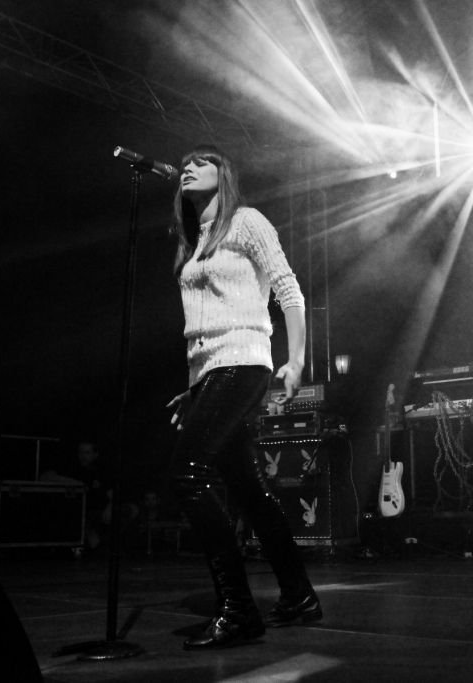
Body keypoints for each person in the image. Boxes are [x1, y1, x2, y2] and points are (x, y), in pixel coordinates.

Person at [165, 144, 321, 650]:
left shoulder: (247, 222)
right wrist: (194, 390)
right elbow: (203, 326)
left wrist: (296, 360)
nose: (188, 168)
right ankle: (298, 596)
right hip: (211, 372)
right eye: (184, 164)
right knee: (248, 489)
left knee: (187, 473)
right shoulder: (194, 239)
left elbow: (289, 291)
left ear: (224, 174)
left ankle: (237, 610)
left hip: (244, 361)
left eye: (201, 162)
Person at [39, 439, 138, 553]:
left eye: (87, 453)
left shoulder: (101, 471)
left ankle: (104, 541)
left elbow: (111, 493)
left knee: (131, 509)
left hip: (99, 513)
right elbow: (45, 477)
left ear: (95, 455)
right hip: (77, 515)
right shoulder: (72, 468)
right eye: (81, 452)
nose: (83, 456)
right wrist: (76, 483)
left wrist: (109, 508)